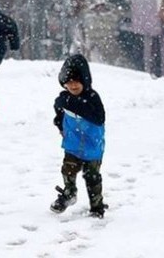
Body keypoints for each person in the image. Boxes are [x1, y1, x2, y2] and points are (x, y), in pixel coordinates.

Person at [51, 54, 107, 219]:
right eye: (68, 82)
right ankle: (69, 194)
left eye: (76, 81)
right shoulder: (63, 98)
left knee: (92, 177)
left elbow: (99, 118)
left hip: (92, 145)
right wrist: (59, 123)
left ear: (85, 80)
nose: (73, 85)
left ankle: (97, 207)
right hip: (73, 143)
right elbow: (59, 111)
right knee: (68, 169)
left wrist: (73, 104)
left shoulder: (92, 98)